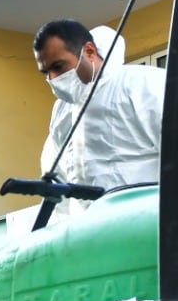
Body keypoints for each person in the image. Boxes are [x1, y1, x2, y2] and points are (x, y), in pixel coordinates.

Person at [33, 18, 166, 196]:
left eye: (58, 66)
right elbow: (59, 183)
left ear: (89, 51)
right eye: (46, 72)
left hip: (148, 219)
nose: (53, 78)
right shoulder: (62, 112)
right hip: (90, 223)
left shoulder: (143, 85)